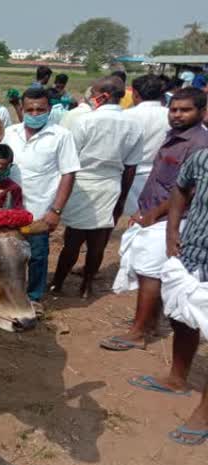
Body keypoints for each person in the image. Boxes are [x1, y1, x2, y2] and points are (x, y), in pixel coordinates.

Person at [106, 87, 208, 351]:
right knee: (150, 271)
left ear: (201, 111)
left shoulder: (199, 144)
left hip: (174, 218)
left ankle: (138, 332)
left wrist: (155, 214)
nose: (177, 115)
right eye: (174, 109)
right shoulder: (175, 137)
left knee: (149, 273)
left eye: (185, 110)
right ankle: (148, 323)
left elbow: (187, 190)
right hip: (156, 213)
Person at [128, 147, 208, 445]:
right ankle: (177, 378)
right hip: (193, 254)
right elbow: (181, 189)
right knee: (182, 318)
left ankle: (204, 411)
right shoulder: (202, 157)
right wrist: (172, 231)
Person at [51, 76, 144, 298]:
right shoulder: (134, 125)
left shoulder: (85, 121)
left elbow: (70, 159)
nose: (91, 98)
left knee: (72, 241)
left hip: (83, 184)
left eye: (93, 94)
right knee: (98, 243)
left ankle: (58, 283)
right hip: (111, 185)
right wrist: (121, 198)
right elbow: (131, 167)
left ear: (102, 96)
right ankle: (87, 285)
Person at [2, 87, 81, 306]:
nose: (35, 114)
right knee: (9, 255)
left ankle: (34, 297)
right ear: (22, 109)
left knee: (37, 256)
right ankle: (10, 295)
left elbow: (68, 173)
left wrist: (56, 210)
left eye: (40, 109)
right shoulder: (10, 133)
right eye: (30, 109)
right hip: (9, 209)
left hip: (40, 210)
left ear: (49, 109)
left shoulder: (61, 136)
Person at [122, 75, 169, 215]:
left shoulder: (126, 116)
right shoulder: (170, 115)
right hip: (161, 175)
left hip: (130, 175)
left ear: (135, 93)